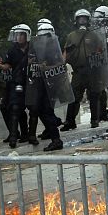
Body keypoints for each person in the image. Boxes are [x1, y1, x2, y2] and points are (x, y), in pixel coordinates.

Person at [62, 9, 103, 130]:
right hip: (78, 70)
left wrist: (98, 57)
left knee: (94, 96)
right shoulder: (71, 36)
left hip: (92, 70)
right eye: (80, 18)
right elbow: (66, 52)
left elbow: (101, 51)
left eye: (85, 18)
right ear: (76, 20)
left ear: (88, 20)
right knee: (74, 97)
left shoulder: (94, 35)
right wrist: (62, 62)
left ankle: (95, 120)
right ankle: (70, 121)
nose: (82, 20)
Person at [0, 24, 34, 148]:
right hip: (17, 82)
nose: (19, 37)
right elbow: (8, 66)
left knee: (31, 109)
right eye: (17, 35)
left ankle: (27, 134)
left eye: (21, 35)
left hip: (31, 82)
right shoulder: (13, 50)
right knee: (15, 107)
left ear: (27, 36)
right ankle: (13, 136)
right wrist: (0, 65)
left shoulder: (33, 48)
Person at [32, 22, 65, 151]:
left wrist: (47, 68)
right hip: (42, 84)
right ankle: (52, 132)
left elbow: (60, 65)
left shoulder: (53, 49)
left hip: (52, 84)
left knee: (46, 112)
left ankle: (56, 140)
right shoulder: (39, 48)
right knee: (42, 111)